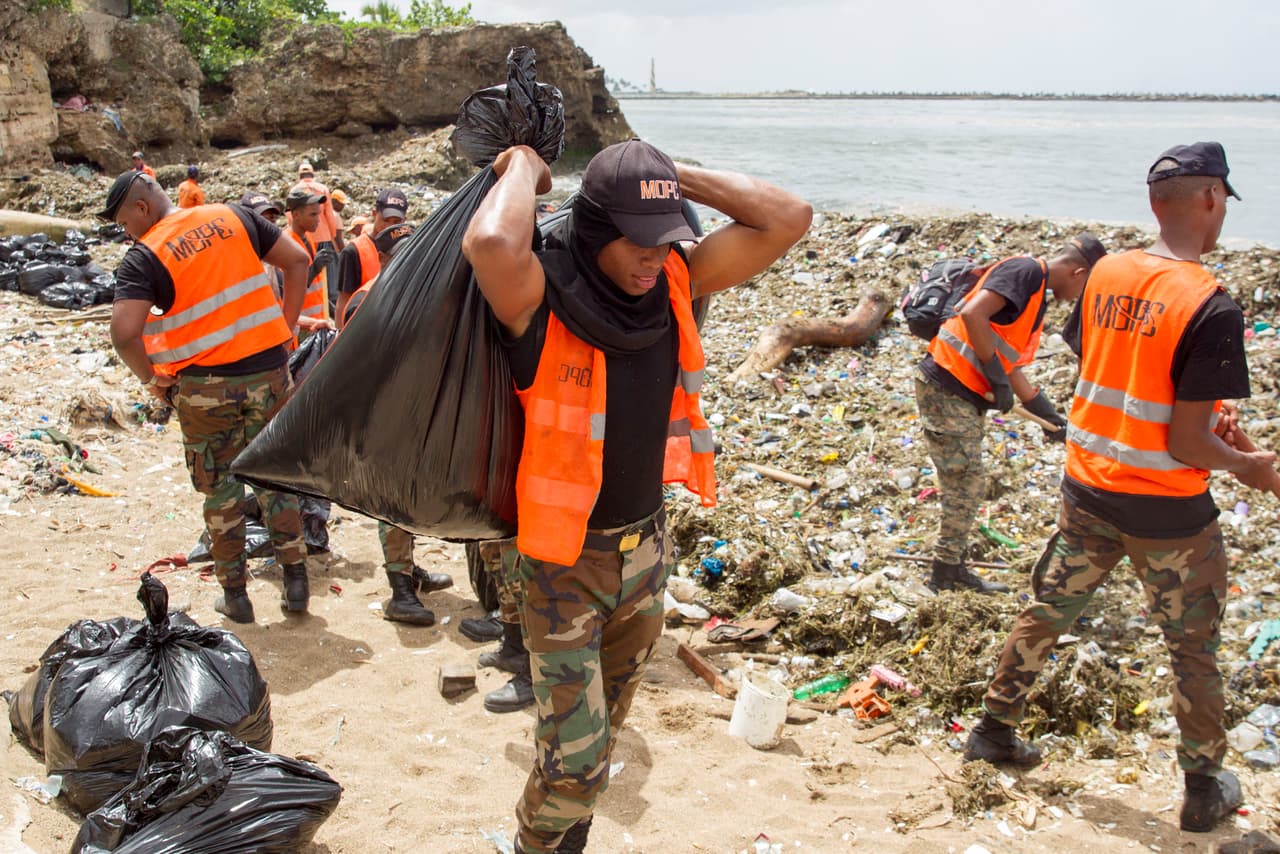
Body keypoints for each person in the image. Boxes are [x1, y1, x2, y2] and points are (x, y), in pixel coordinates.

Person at [463, 138, 811, 854]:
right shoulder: (542, 297)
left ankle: (565, 840)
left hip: (645, 554)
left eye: (666, 239)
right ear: (594, 225)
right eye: (637, 241)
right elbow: (493, 240)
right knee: (576, 767)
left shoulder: (676, 281)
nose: (653, 258)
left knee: (603, 736)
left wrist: (662, 174)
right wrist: (526, 166)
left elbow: (788, 216)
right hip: (562, 567)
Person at [964, 142, 1280, 834]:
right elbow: (1186, 443)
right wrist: (1250, 468)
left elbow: (1113, 359)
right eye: (1224, 199)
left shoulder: (1107, 273)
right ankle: (1202, 784)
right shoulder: (1212, 305)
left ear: (1153, 204)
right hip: (1168, 512)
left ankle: (993, 729)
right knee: (1191, 645)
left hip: (1088, 487)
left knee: (1049, 607)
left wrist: (1187, 405)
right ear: (1210, 199)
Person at [102, 170, 314, 622]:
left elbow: (123, 333)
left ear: (142, 208)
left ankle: (235, 595)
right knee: (275, 474)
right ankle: (296, 581)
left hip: (205, 389)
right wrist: (289, 327)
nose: (127, 233)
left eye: (124, 224)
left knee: (221, 488)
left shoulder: (145, 257)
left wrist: (151, 379)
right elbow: (298, 261)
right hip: (270, 373)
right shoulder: (233, 216)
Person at [915, 233, 1105, 593]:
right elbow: (972, 314)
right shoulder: (1026, 271)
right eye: (1085, 289)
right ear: (1079, 272)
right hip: (944, 386)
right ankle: (944, 574)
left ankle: (951, 567)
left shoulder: (1035, 298)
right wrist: (994, 375)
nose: (1078, 299)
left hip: (960, 392)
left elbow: (1011, 362)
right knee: (965, 484)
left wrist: (1047, 415)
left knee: (967, 483)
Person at [337, 222, 455, 623]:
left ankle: (408, 570)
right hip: (384, 419)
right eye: (400, 251)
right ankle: (400, 591)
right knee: (392, 502)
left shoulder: (428, 294)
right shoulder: (367, 300)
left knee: (412, 498)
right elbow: (351, 365)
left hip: (419, 415)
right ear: (383, 259)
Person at [336, 188, 408, 328]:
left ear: (405, 220)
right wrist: (339, 336)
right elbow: (343, 301)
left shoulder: (406, 249)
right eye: (386, 220)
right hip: (360, 327)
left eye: (396, 221)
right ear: (374, 214)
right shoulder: (354, 251)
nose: (390, 226)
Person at [291, 161, 344, 314]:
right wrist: (332, 237)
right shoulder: (322, 189)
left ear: (299, 175)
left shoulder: (294, 191)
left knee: (312, 281)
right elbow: (329, 216)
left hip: (305, 241)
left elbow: (290, 219)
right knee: (329, 285)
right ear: (313, 174)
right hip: (324, 240)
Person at [283, 187, 338, 334]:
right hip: (301, 326)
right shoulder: (286, 244)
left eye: (318, 214)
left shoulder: (306, 238)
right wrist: (314, 269)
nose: (318, 220)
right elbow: (287, 289)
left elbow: (316, 286)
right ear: (296, 215)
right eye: (312, 215)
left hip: (316, 322)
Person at [241, 191, 286, 300]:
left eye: (273, 219)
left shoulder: (274, 258)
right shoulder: (242, 262)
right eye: (263, 221)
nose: (270, 227)